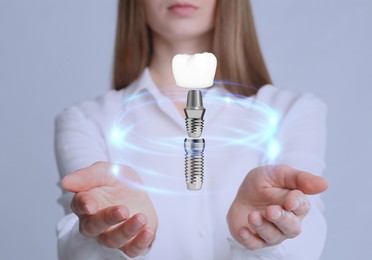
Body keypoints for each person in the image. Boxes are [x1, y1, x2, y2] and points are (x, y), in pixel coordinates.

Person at [55, 0, 329, 259]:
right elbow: (78, 244)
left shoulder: (293, 111)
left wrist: (262, 237)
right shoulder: (86, 121)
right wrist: (117, 239)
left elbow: (304, 241)